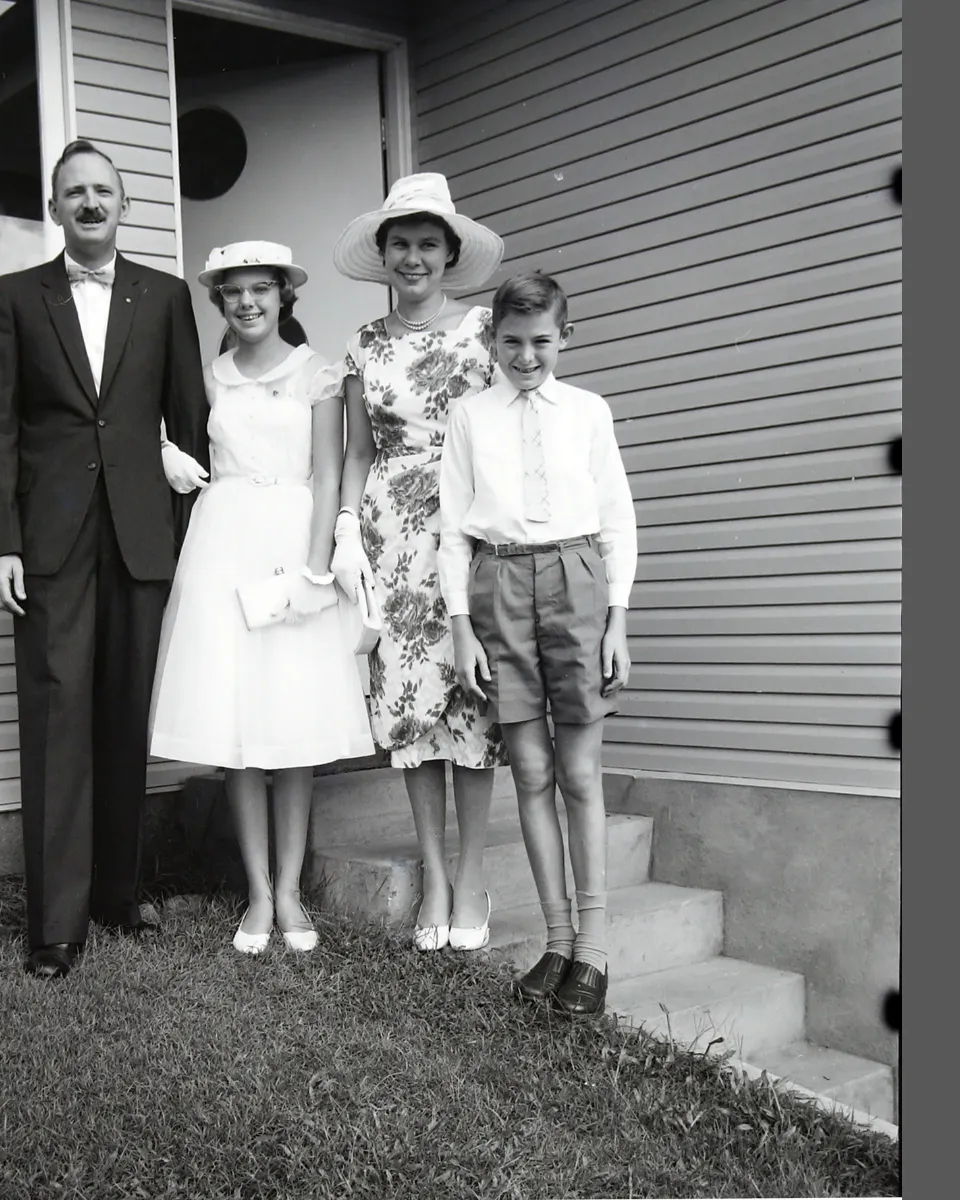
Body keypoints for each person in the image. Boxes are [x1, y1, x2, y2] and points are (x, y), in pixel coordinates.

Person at [0, 139, 211, 980]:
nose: (89, 203)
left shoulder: (168, 297)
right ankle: (56, 926)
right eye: (73, 192)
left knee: (123, 716)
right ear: (54, 208)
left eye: (102, 190)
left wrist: (184, 535)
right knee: (57, 717)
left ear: (125, 204)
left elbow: (190, 423)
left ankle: (118, 895)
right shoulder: (14, 298)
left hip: (142, 537)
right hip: (50, 546)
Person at [149, 241, 373, 955]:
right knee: (238, 730)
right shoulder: (208, 377)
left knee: (295, 728)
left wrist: (313, 569)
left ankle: (293, 891)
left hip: (293, 545)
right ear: (219, 302)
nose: (247, 303)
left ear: (283, 298)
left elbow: (332, 474)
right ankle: (257, 893)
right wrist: (162, 451)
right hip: (222, 548)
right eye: (233, 292)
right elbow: (155, 429)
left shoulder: (318, 373)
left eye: (260, 290)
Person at [438, 271, 637, 1017]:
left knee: (579, 775)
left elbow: (618, 518)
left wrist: (616, 618)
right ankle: (556, 942)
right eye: (512, 342)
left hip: (579, 581)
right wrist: (462, 626)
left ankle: (595, 949)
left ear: (565, 337)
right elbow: (453, 529)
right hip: (500, 584)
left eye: (541, 341)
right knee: (528, 769)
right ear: (492, 340)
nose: (526, 356)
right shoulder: (470, 414)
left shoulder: (588, 412)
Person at [327, 173, 508, 953]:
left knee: (470, 704)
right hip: (391, 532)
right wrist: (344, 527)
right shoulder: (363, 343)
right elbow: (358, 451)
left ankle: (471, 876)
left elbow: (504, 430)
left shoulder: (483, 332)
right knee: (408, 704)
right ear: (383, 253)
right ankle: (433, 874)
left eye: (427, 243)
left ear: (449, 253)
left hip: (467, 525)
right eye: (400, 243)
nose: (413, 256)